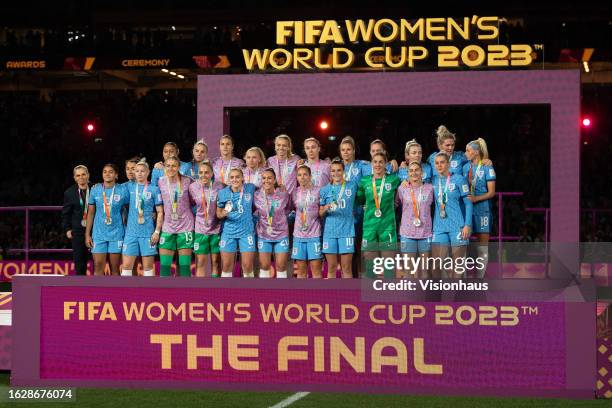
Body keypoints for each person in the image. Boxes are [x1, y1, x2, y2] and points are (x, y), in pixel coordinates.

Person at [356, 152, 401, 278]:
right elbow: (358, 200)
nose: (378, 164)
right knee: (370, 263)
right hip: (370, 226)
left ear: (386, 164)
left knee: (388, 263)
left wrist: (400, 163)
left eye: (381, 162)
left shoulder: (393, 179)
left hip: (388, 226)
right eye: (375, 162)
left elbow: (406, 180)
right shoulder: (364, 181)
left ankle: (389, 293)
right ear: (371, 164)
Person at [431, 152, 473, 279]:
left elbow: (468, 203)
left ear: (448, 164)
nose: (439, 165)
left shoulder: (459, 179)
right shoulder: (432, 181)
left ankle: (457, 297)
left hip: (458, 226)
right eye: (437, 163)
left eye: (442, 162)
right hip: (439, 227)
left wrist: (467, 225)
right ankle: (436, 297)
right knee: (436, 264)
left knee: (458, 265)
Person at [85, 164, 129, 275]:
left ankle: (115, 293)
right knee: (98, 266)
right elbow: (90, 213)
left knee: (115, 268)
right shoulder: (95, 190)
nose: (107, 174)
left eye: (111, 171)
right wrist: (87, 234)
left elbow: (130, 211)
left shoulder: (122, 190)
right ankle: (97, 292)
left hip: (117, 234)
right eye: (105, 171)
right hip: (99, 234)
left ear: (116, 175)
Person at [121, 160, 163, 277]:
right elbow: (111, 187)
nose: (139, 173)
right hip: (131, 234)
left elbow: (160, 212)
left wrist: (157, 231)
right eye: (137, 171)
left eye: (142, 171)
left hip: (148, 234)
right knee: (126, 267)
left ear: (148, 172)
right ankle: (125, 295)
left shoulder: (154, 189)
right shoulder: (128, 187)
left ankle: (149, 295)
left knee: (148, 268)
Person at [463, 138, 496, 278]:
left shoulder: (487, 167)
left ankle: (480, 278)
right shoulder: (465, 167)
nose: (465, 153)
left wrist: (477, 198)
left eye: (468, 151)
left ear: (476, 152)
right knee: (463, 244)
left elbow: (491, 192)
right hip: (467, 210)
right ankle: (463, 277)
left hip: (482, 210)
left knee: (482, 246)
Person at [319, 160, 357, 279]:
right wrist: (326, 208)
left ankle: (348, 296)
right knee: (331, 267)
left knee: (346, 268)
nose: (336, 173)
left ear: (343, 171)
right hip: (329, 233)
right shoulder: (324, 190)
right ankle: (331, 296)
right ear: (330, 172)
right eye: (333, 170)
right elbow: (320, 214)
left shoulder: (353, 186)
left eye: (339, 170)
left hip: (347, 231)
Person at [157, 156, 194, 277]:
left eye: (174, 165)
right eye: (168, 166)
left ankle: (185, 295)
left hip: (185, 227)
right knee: (164, 268)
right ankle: (164, 295)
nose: (171, 168)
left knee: (184, 268)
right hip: (167, 227)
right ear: (165, 167)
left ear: (179, 167)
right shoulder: (160, 181)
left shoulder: (188, 181)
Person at [216, 168, 257, 277]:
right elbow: (218, 214)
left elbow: (266, 186)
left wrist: (278, 186)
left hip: (246, 232)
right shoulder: (223, 193)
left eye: (237, 177)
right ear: (229, 179)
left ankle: (249, 292)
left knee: (247, 266)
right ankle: (226, 293)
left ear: (242, 178)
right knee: (226, 266)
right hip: (229, 232)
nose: (235, 179)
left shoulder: (250, 188)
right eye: (232, 177)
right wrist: (223, 213)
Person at [396, 161, 434, 278]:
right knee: (409, 270)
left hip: (425, 233)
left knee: (424, 270)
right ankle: (410, 295)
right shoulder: (402, 189)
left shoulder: (430, 188)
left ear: (422, 173)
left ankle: (423, 295)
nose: (414, 173)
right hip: (407, 233)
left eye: (416, 170)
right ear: (407, 174)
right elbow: (395, 205)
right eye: (411, 171)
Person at [254, 168, 290, 278]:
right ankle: (264, 294)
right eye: (264, 178)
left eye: (269, 178)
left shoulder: (283, 194)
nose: (266, 180)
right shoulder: (256, 195)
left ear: (274, 180)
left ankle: (282, 293)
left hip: (281, 234)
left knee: (281, 265)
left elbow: (289, 209)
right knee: (264, 266)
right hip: (263, 234)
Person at [189, 162, 222, 277]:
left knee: (216, 262)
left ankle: (216, 290)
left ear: (212, 173)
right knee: (201, 263)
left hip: (216, 229)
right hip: (200, 229)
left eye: (206, 172)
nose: (203, 175)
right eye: (201, 173)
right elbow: (189, 204)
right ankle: (200, 291)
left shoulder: (220, 186)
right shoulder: (193, 187)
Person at [291, 165, 322, 278]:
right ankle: (301, 295)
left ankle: (317, 294)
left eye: (305, 174)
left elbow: (322, 210)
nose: (302, 177)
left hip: (314, 235)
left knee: (316, 272)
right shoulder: (294, 192)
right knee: (301, 272)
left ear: (310, 176)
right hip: (298, 236)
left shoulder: (318, 191)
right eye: (299, 175)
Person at [62, 165, 92, 275]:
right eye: (78, 175)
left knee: (98, 261)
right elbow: (66, 213)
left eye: (83, 174)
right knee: (80, 261)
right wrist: (67, 229)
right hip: (78, 231)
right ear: (75, 178)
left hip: (96, 230)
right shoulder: (69, 193)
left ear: (88, 175)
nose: (81, 177)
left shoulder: (95, 189)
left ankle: (99, 287)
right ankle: (81, 289)